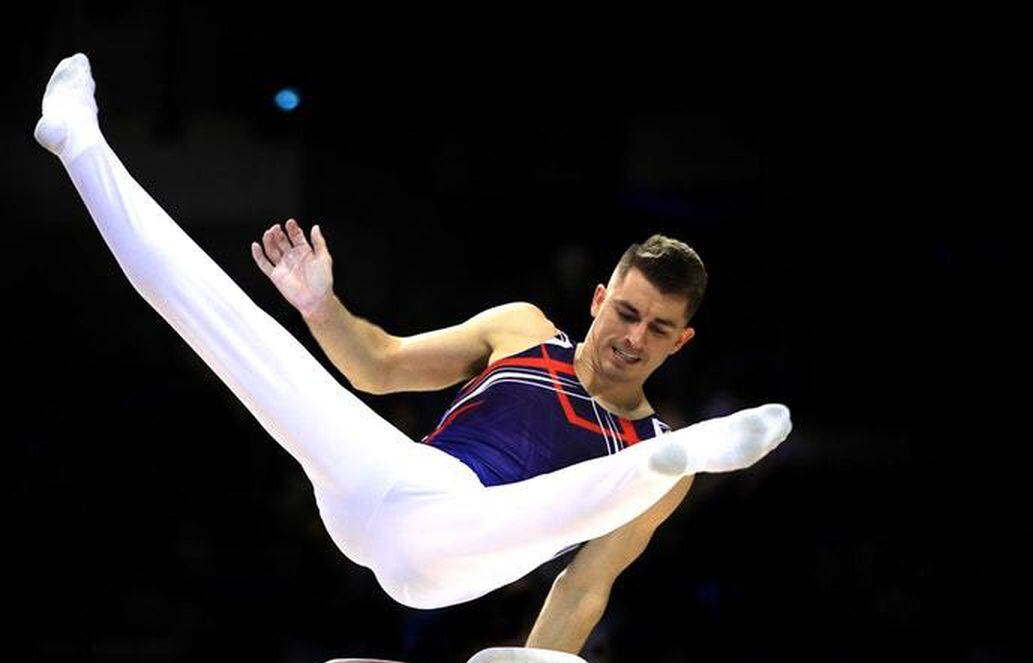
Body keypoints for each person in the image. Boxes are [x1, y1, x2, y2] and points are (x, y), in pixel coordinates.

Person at [34, 51, 793, 616]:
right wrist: (319, 306)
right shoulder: (521, 329)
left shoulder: (635, 446)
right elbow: (380, 367)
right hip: (387, 484)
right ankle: (80, 145)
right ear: (599, 299)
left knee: (635, 474)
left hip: (457, 554)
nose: (634, 336)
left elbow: (582, 588)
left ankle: (685, 451)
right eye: (626, 312)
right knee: (234, 331)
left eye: (658, 328)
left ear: (679, 343)